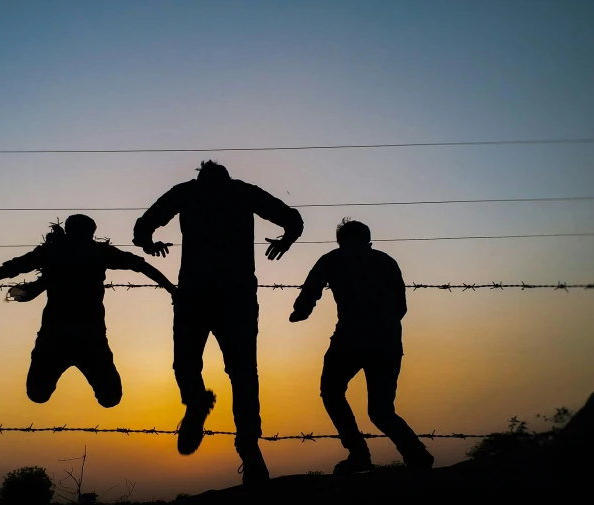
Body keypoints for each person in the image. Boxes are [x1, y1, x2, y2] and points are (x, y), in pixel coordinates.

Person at [132, 160, 304, 484]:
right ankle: (249, 448)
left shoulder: (187, 192)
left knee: (186, 363)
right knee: (242, 374)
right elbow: (293, 219)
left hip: (196, 293)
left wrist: (148, 244)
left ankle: (197, 403)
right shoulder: (241, 192)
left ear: (200, 178)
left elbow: (143, 226)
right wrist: (285, 241)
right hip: (235, 295)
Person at [0, 214, 179, 409]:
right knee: (64, 396)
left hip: (66, 338)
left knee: (93, 398)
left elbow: (5, 270)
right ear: (89, 232)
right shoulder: (93, 252)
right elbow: (142, 266)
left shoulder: (56, 252)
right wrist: (172, 290)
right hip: (80, 338)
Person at [289, 218, 434, 474]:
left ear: (340, 240)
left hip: (349, 339)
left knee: (331, 392)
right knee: (381, 410)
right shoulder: (386, 261)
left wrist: (301, 311)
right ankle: (415, 453)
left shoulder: (333, 259)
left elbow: (312, 288)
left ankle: (358, 454)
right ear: (368, 239)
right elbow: (401, 306)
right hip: (387, 340)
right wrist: (384, 324)